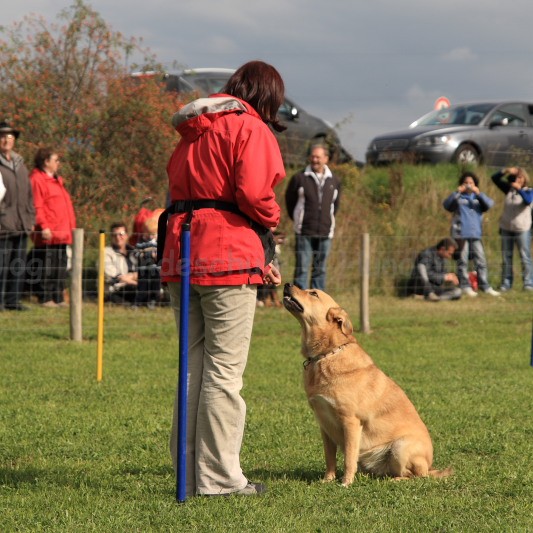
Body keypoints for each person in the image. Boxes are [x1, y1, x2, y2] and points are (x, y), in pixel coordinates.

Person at [161, 60, 285, 497]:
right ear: (267, 96)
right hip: (227, 256)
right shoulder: (250, 128)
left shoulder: (192, 131)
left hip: (182, 252)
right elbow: (254, 193)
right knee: (225, 372)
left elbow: (177, 191)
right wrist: (273, 219)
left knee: (191, 368)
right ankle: (219, 480)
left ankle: (189, 476)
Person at [285, 144, 341, 290]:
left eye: (318, 157)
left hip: (325, 232)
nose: (314, 160)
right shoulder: (299, 177)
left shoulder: (334, 180)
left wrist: (328, 221)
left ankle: (317, 303)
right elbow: (290, 202)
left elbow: (335, 205)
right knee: (302, 269)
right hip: (304, 232)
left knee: (320, 270)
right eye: (312, 156)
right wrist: (299, 219)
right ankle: (299, 302)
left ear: (326, 159)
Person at [29, 147, 76, 307]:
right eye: (56, 160)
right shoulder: (37, 179)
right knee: (47, 266)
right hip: (49, 232)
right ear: (46, 162)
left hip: (62, 231)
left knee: (60, 266)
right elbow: (37, 205)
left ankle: (58, 296)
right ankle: (45, 297)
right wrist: (43, 226)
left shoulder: (57, 180)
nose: (58, 163)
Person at [443, 171, 500, 297]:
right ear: (461, 184)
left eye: (471, 183)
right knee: (462, 261)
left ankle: (485, 286)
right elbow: (447, 205)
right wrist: (457, 192)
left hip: (475, 235)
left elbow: (489, 204)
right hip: (461, 234)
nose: (468, 185)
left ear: (475, 184)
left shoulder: (478, 198)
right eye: (465, 183)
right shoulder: (458, 198)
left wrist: (478, 193)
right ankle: (465, 286)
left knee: (481, 261)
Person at [0, 121, 35, 311]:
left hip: (22, 225)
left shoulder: (21, 165)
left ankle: (13, 301)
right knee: (1, 265)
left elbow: (29, 196)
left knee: (18, 264)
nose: (6, 140)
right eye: (3, 136)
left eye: (10, 137)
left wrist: (30, 219)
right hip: (3, 225)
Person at [491, 167, 533, 292]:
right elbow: (494, 178)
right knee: (506, 256)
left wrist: (519, 189)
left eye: (520, 177)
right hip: (506, 228)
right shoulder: (508, 190)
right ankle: (506, 283)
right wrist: (506, 171)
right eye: (516, 177)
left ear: (525, 179)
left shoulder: (529, 191)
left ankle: (528, 283)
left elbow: (528, 201)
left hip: (522, 228)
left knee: (525, 256)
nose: (518, 179)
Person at [102, 222, 138, 304]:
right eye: (114, 235)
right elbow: (114, 276)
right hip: (116, 289)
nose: (118, 237)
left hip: (134, 286)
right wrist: (135, 282)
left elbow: (144, 272)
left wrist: (132, 276)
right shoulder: (106, 252)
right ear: (111, 237)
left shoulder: (134, 251)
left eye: (121, 234)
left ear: (126, 235)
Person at [134, 215, 161, 307]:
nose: (150, 237)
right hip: (143, 269)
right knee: (143, 286)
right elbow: (136, 253)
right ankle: (139, 301)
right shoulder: (141, 244)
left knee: (155, 285)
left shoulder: (159, 244)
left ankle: (153, 300)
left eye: (153, 234)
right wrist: (145, 254)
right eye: (148, 234)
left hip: (155, 269)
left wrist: (158, 256)